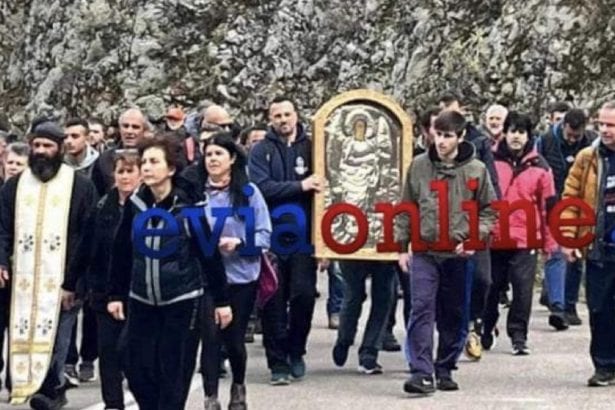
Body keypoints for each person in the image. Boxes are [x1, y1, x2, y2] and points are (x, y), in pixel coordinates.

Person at [107, 136, 232, 409]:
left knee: (173, 371)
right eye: (144, 162)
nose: (146, 167)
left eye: (154, 162)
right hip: (141, 299)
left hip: (182, 300)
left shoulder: (189, 207)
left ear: (171, 168)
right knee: (131, 360)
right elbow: (121, 251)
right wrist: (115, 294)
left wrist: (222, 301)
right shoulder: (136, 204)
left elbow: (209, 255)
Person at [397, 110, 496, 394]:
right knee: (421, 308)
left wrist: (475, 238)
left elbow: (490, 211)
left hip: (458, 253)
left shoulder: (476, 170)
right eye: (437, 134)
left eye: (447, 136)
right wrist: (401, 247)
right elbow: (406, 208)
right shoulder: (418, 166)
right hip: (425, 251)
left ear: (460, 137)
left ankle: (445, 366)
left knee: (453, 312)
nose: (440, 141)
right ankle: (421, 371)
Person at [0, 120, 97, 409]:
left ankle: (52, 389)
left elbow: (87, 235)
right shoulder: (14, 186)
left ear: (60, 149)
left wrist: (75, 280)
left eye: (48, 146)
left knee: (58, 334)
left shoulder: (80, 185)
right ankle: (21, 381)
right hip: (22, 278)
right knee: (21, 326)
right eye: (37, 145)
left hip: (65, 277)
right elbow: (3, 228)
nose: (41, 151)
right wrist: (1, 260)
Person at [181, 132, 271, 410]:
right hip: (207, 277)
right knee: (210, 338)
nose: (212, 159)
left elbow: (265, 235)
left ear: (232, 158)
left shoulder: (249, 192)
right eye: (208, 154)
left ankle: (238, 387)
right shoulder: (197, 192)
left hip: (241, 276)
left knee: (233, 339)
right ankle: (210, 398)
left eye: (219, 154)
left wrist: (239, 243)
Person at [248, 96, 322, 385]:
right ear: (271, 119)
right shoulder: (260, 150)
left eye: (287, 114)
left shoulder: (313, 147)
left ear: (296, 115)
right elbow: (261, 188)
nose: (283, 120)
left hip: (304, 237)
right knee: (273, 301)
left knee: (304, 295)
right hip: (272, 237)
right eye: (277, 115)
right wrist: (301, 186)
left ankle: (296, 350)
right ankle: (277, 363)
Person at [482, 112, 558, 354]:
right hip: (494, 236)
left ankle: (518, 336)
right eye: (512, 131)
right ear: (504, 133)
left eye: (521, 132)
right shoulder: (490, 161)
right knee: (490, 287)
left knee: (523, 289)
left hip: (526, 238)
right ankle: (486, 327)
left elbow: (548, 207)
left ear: (528, 136)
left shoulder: (540, 167)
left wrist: (550, 242)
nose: (516, 136)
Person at [438, 91, 501, 361]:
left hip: (474, 222)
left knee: (482, 279)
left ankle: (475, 322)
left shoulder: (480, 143)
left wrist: (489, 219)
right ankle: (453, 336)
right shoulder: (432, 149)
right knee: (450, 283)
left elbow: (491, 185)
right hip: (443, 225)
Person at [560, 100, 615, 386]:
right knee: (599, 309)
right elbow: (571, 199)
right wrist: (569, 238)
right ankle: (604, 366)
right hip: (599, 248)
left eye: (611, 125)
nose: (604, 130)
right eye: (601, 124)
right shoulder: (587, 158)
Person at [84, 151, 141, 409]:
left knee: (133, 352)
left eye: (130, 171)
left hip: (137, 292)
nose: (125, 177)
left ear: (140, 175)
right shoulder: (101, 207)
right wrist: (70, 284)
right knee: (108, 352)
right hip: (103, 290)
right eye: (121, 172)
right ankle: (113, 403)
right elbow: (86, 248)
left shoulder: (147, 207)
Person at [537, 108, 596, 326]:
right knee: (555, 252)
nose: (572, 140)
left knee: (575, 255)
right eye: (569, 135)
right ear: (563, 126)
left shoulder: (592, 143)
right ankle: (557, 304)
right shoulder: (546, 141)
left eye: (576, 136)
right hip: (553, 201)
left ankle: (569, 304)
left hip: (580, 206)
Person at [63, 117, 101, 385]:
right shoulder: (60, 168)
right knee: (69, 300)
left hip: (92, 240)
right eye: (66, 136)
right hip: (67, 243)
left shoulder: (100, 164)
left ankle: (89, 357)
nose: (69, 141)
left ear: (87, 138)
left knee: (91, 306)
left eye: (75, 136)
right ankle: (69, 360)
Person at [91, 108, 148, 196]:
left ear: (144, 131)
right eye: (125, 126)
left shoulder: (151, 158)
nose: (129, 131)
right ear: (120, 129)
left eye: (135, 127)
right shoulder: (104, 159)